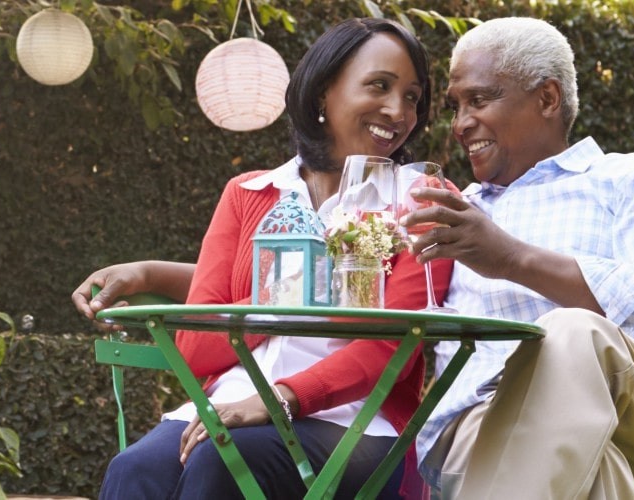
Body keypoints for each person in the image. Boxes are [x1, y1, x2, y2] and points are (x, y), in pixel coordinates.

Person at [72, 18, 452, 499]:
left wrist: (281, 399)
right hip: (226, 405)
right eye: (379, 86)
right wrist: (285, 294)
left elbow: (390, 349)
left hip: (356, 422)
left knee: (226, 462)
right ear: (322, 93)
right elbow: (196, 345)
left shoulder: (423, 200)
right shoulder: (247, 194)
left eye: (413, 97)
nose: (398, 111)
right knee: (136, 469)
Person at [400, 17, 634, 499]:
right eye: (456, 105)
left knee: (570, 331)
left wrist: (512, 258)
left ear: (547, 98)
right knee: (599, 477)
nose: (462, 123)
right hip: (479, 427)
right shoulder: (455, 212)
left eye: (480, 100)